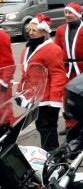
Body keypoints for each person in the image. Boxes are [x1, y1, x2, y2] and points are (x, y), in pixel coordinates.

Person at [20, 15, 67, 152]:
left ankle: (52, 155)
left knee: (48, 127)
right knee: (41, 126)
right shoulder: (26, 49)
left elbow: (58, 75)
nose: (31, 32)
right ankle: (48, 153)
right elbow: (25, 74)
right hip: (33, 97)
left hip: (46, 98)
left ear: (44, 32)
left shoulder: (53, 49)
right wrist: (20, 92)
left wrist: (55, 100)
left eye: (34, 30)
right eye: (29, 30)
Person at [54, 2, 83, 135]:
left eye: (70, 13)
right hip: (67, 68)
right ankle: (70, 125)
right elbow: (57, 49)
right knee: (67, 97)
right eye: (66, 13)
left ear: (78, 14)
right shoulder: (61, 30)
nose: (67, 15)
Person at [0, 29, 15, 125]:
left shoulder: (2, 35)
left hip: (2, 79)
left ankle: (9, 137)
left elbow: (9, 62)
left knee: (4, 111)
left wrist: (4, 81)